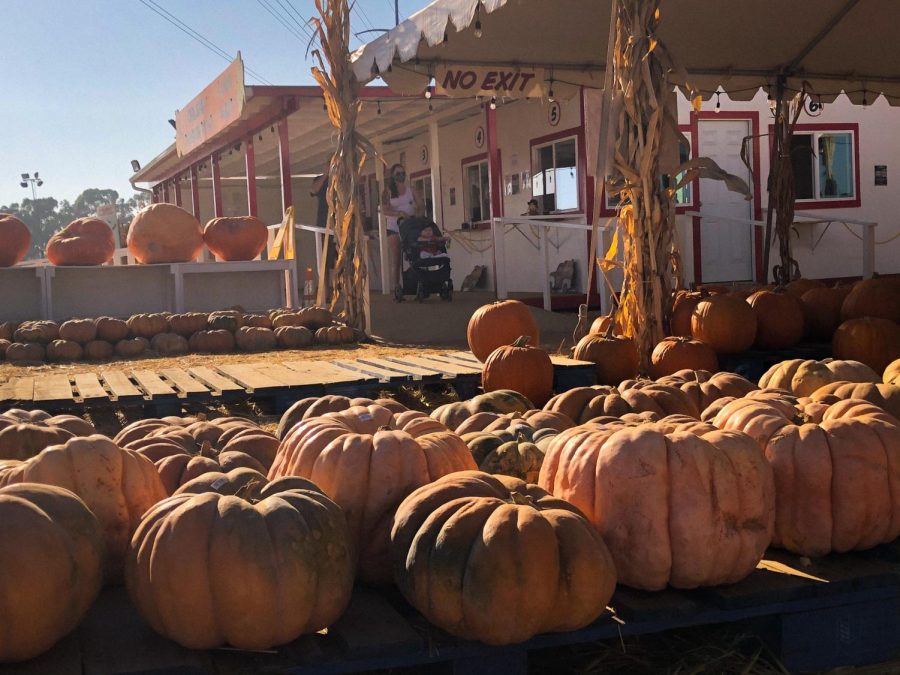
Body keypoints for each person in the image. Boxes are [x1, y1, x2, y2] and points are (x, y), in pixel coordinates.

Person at [381, 163, 423, 297]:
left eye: (403, 173)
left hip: (409, 226)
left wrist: (417, 213)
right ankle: (397, 286)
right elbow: (385, 210)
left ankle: (417, 283)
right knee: (396, 257)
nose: (401, 176)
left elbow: (421, 205)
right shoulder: (388, 191)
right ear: (393, 176)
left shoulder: (411, 190)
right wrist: (398, 213)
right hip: (394, 226)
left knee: (415, 254)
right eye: (398, 174)